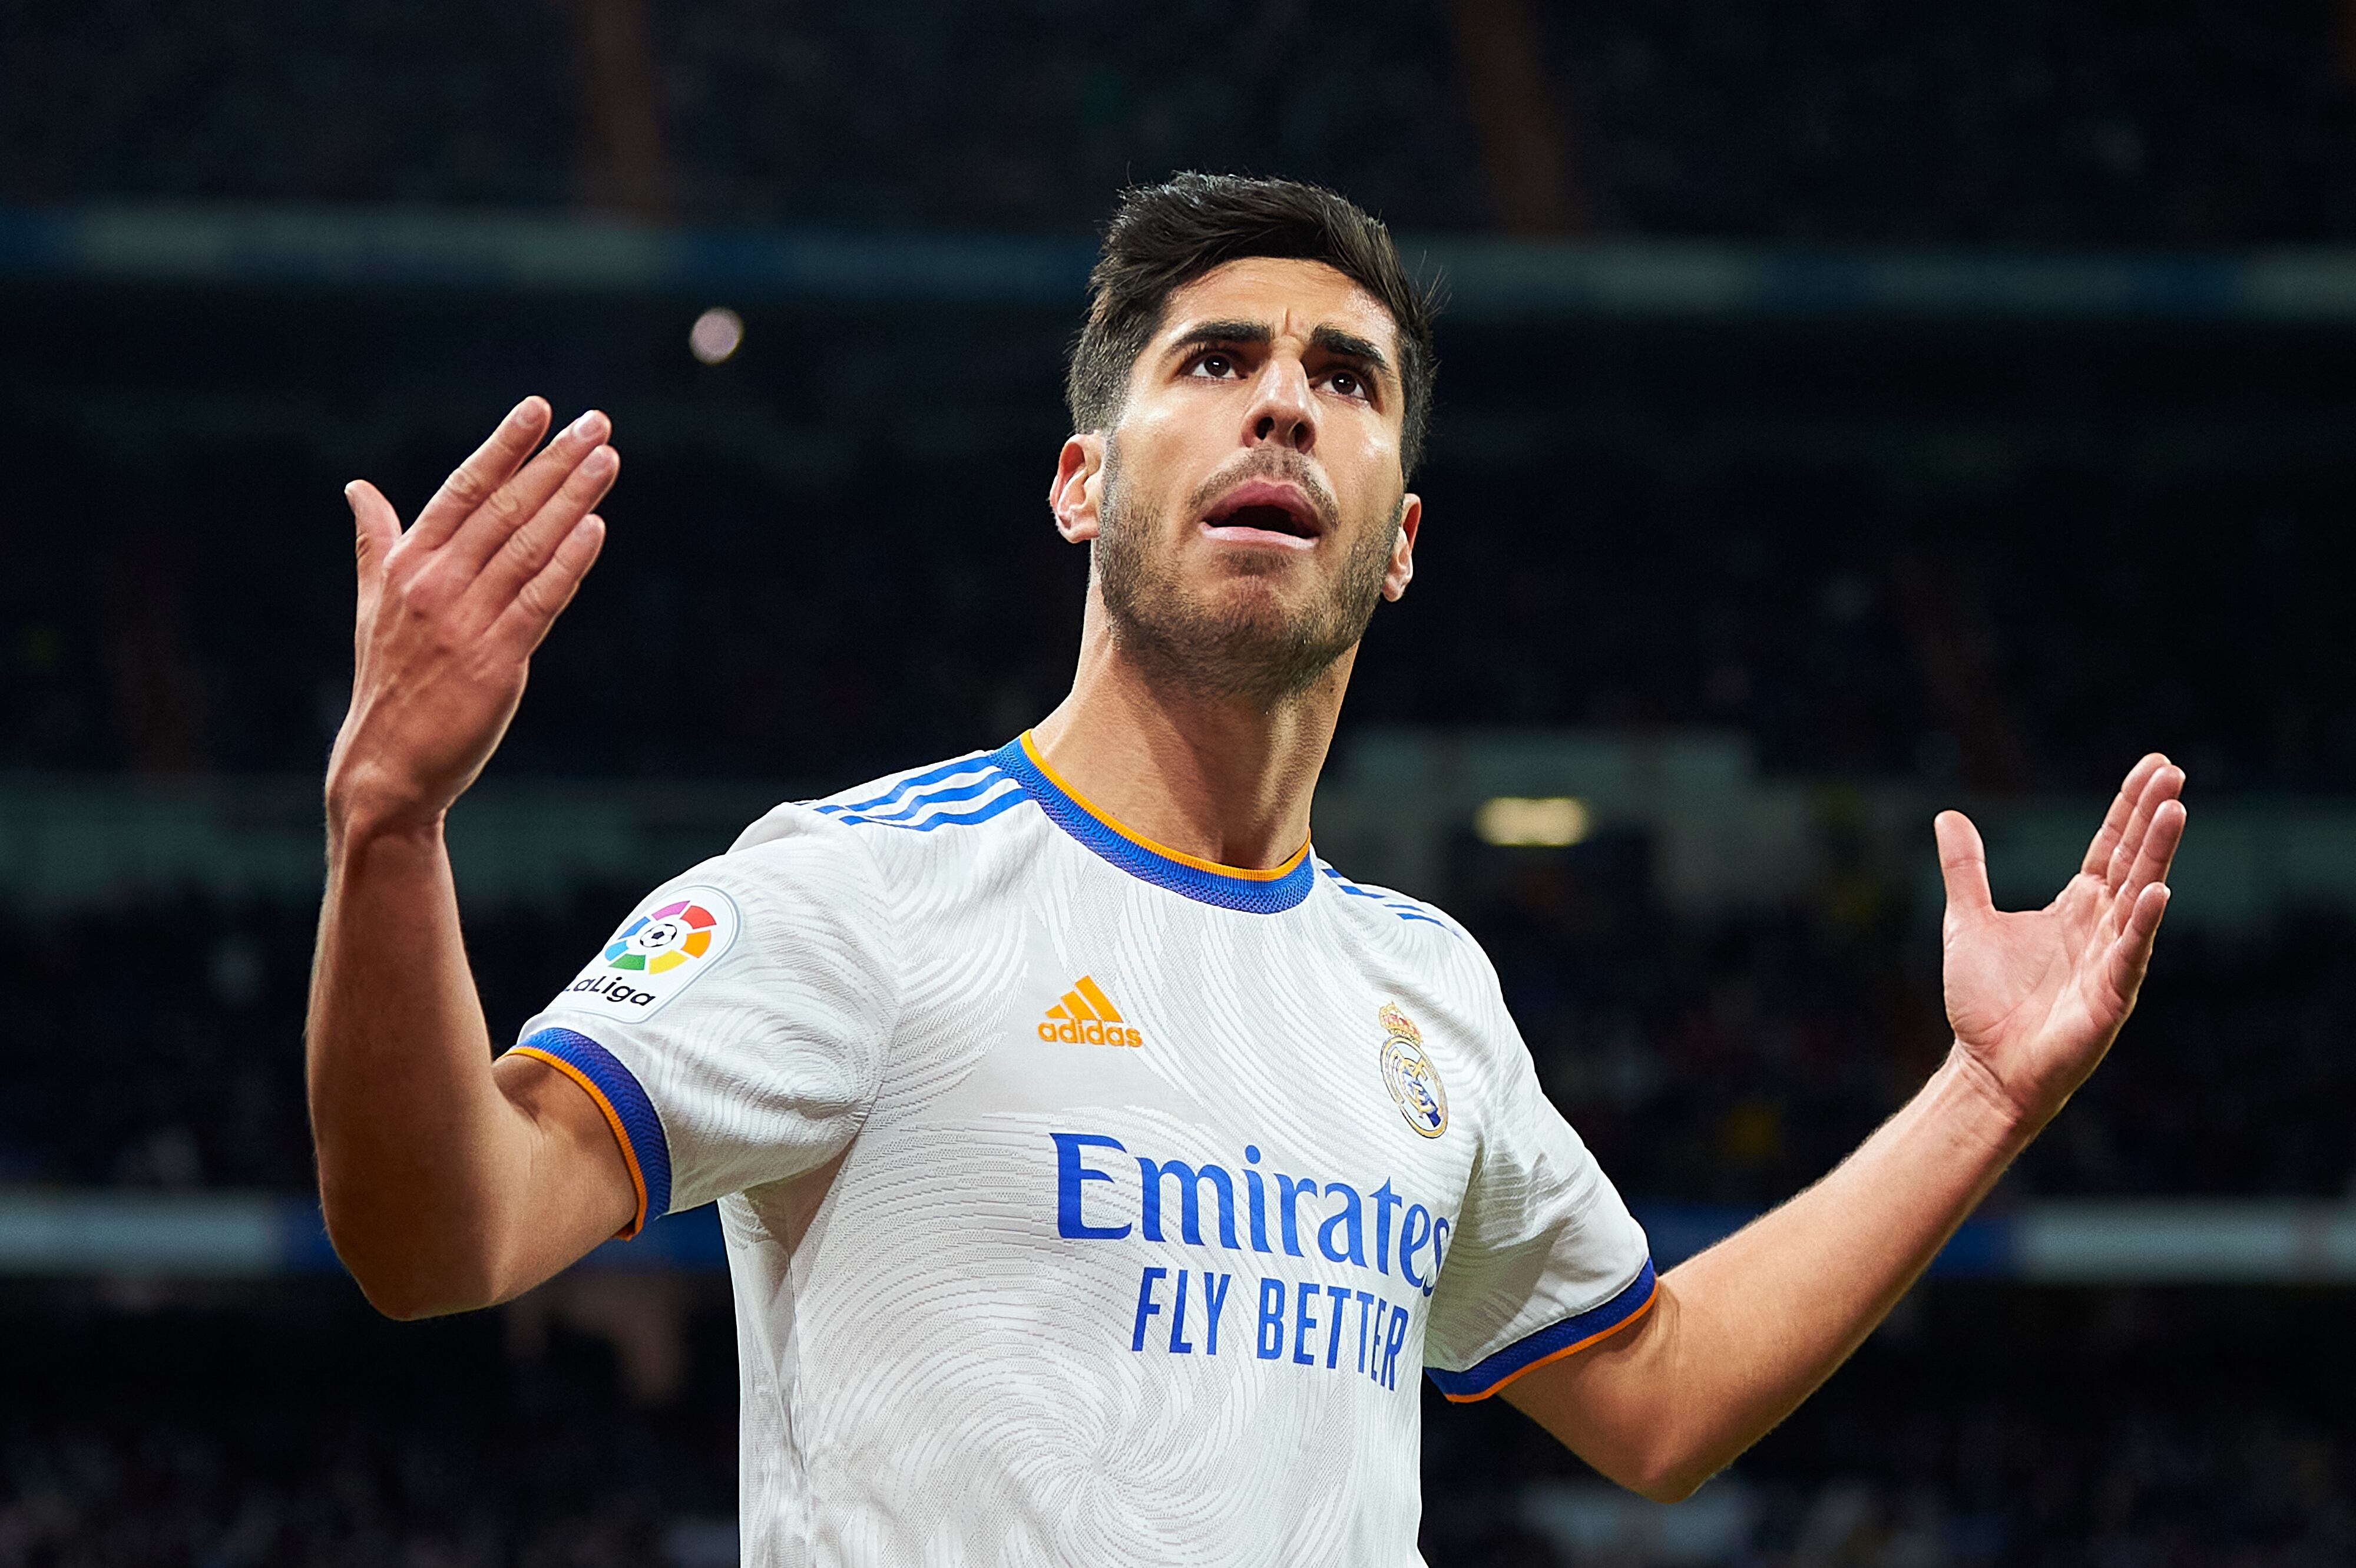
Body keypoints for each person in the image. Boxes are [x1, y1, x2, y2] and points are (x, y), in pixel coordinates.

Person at [307, 174, 2186, 1566]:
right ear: (1080, 482)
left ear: (1400, 543)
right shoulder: (853, 897)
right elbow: (439, 1236)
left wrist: (1988, 1094)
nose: (1286, 401)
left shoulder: (1425, 989)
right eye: (1218, 361)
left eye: (1346, 378)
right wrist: (389, 833)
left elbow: (1662, 1396)